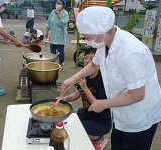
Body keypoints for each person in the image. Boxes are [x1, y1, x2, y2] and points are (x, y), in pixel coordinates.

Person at [60, 6, 161, 150]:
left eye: (87, 37)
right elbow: (95, 66)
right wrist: (71, 79)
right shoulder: (105, 42)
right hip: (121, 112)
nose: (87, 42)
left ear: (100, 31)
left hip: (140, 114)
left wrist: (103, 104)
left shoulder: (130, 53)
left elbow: (137, 95)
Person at [61, 48, 111, 150]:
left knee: (74, 130)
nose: (87, 61)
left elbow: (98, 105)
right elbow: (76, 94)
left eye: (92, 59)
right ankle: (92, 135)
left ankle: (98, 138)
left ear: (98, 61)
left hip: (101, 121)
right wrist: (64, 99)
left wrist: (85, 88)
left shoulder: (103, 81)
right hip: (87, 114)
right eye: (85, 58)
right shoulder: (84, 75)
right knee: (67, 123)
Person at [45, 0, 69, 68]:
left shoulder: (65, 13)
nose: (57, 5)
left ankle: (61, 63)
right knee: (52, 51)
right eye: (56, 3)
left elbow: (63, 24)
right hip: (53, 35)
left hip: (61, 36)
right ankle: (53, 64)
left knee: (61, 51)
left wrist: (58, 14)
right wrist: (46, 31)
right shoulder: (53, 12)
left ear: (63, 5)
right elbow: (49, 22)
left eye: (59, 3)